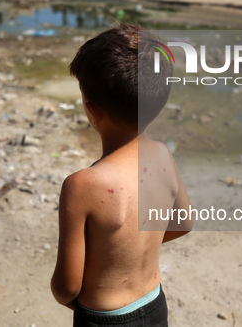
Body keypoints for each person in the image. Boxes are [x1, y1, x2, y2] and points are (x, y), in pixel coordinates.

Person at [51, 24, 193, 326]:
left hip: (104, 317)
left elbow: (66, 288)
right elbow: (183, 223)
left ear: (92, 110)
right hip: (155, 304)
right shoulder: (164, 156)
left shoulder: (82, 185)